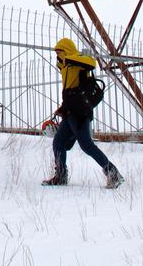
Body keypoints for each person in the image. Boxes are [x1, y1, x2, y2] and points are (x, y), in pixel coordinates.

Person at [42, 38, 124, 188]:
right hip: (70, 112)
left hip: (80, 113)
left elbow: (91, 62)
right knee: (58, 142)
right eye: (57, 53)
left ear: (67, 50)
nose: (58, 56)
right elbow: (69, 93)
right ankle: (60, 176)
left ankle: (113, 173)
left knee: (86, 145)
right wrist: (62, 109)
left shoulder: (79, 62)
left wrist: (69, 58)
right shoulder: (65, 68)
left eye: (60, 52)